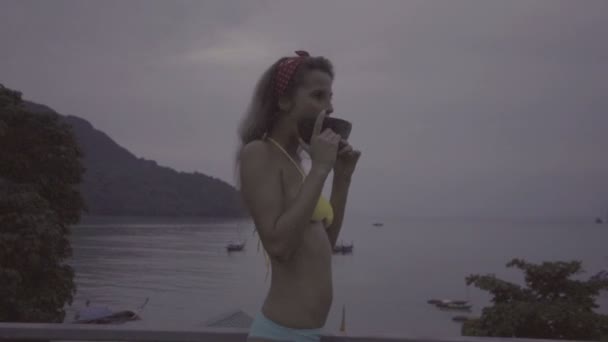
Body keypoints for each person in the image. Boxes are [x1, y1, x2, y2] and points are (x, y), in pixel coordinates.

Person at [236, 50, 361, 342]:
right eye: (318, 96)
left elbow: (324, 247)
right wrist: (320, 167)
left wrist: (341, 178)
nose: (329, 107)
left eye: (330, 97)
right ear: (284, 100)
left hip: (307, 334)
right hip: (280, 335)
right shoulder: (259, 153)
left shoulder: (297, 164)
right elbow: (279, 246)